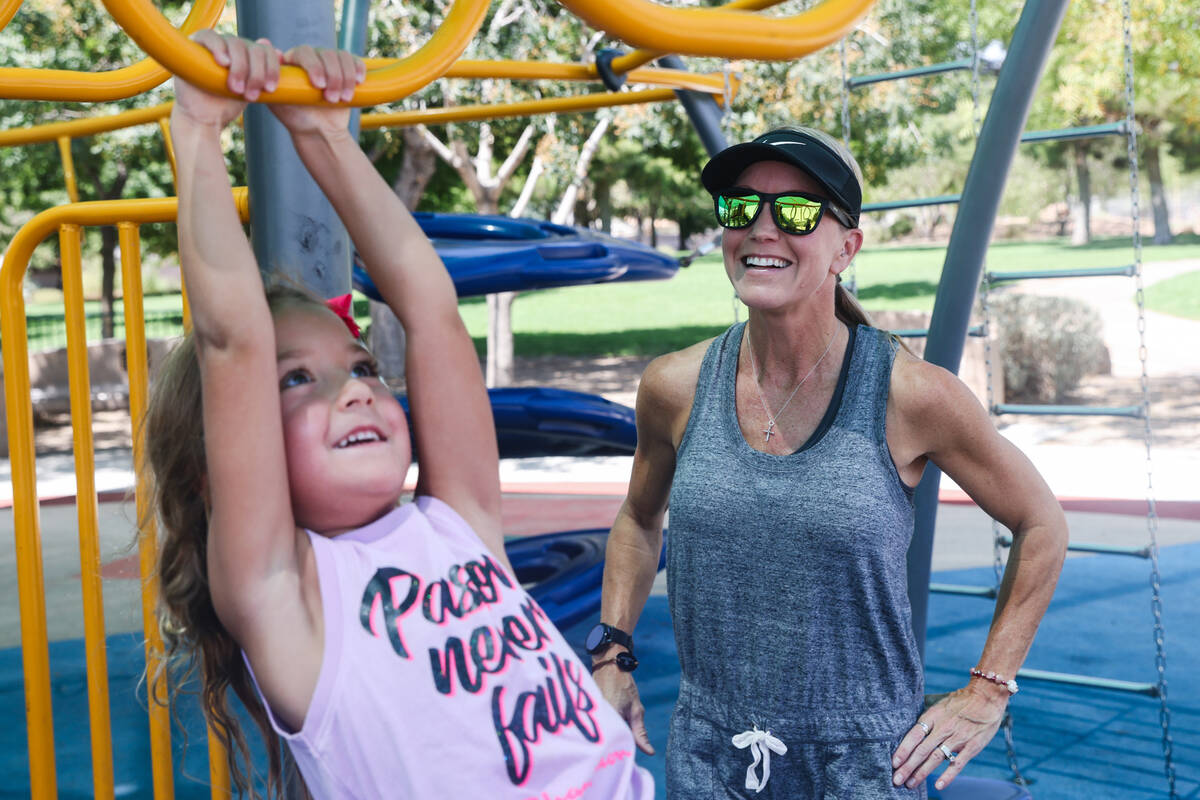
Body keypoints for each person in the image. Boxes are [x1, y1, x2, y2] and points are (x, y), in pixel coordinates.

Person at [144, 31, 654, 799]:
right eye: (295, 382)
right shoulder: (288, 598)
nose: (353, 390)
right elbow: (233, 341)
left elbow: (430, 306)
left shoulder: (457, 524)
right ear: (224, 459)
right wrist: (198, 133)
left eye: (361, 368)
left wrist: (321, 130)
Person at [589, 127, 1068, 798]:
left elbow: (1042, 522)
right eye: (741, 208)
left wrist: (989, 689)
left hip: (862, 765)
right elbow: (638, 522)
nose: (761, 227)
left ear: (847, 247)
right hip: (708, 757)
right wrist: (612, 653)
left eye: (796, 212)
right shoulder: (674, 385)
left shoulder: (910, 394)